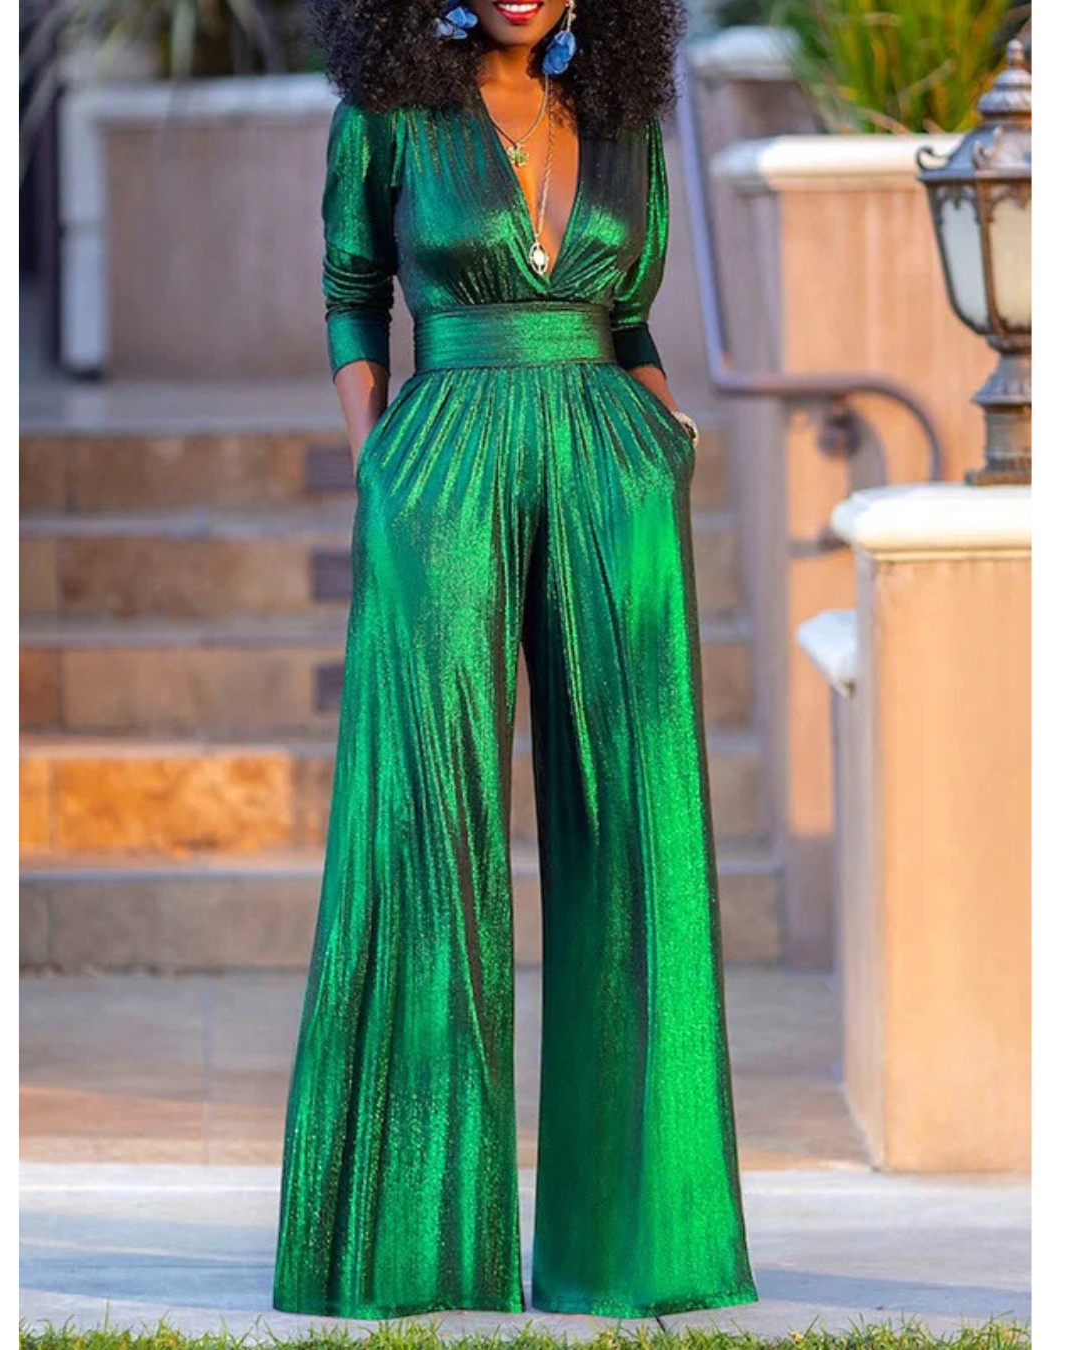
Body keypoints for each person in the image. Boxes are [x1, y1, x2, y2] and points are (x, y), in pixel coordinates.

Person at [272, 0, 759, 1320]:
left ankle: (641, 1244)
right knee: (425, 817)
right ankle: (412, 1240)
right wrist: (377, 462)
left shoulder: (621, 122)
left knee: (639, 828)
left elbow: (632, 318)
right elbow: (352, 294)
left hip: (613, 466)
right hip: (444, 454)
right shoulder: (391, 119)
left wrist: (669, 438)